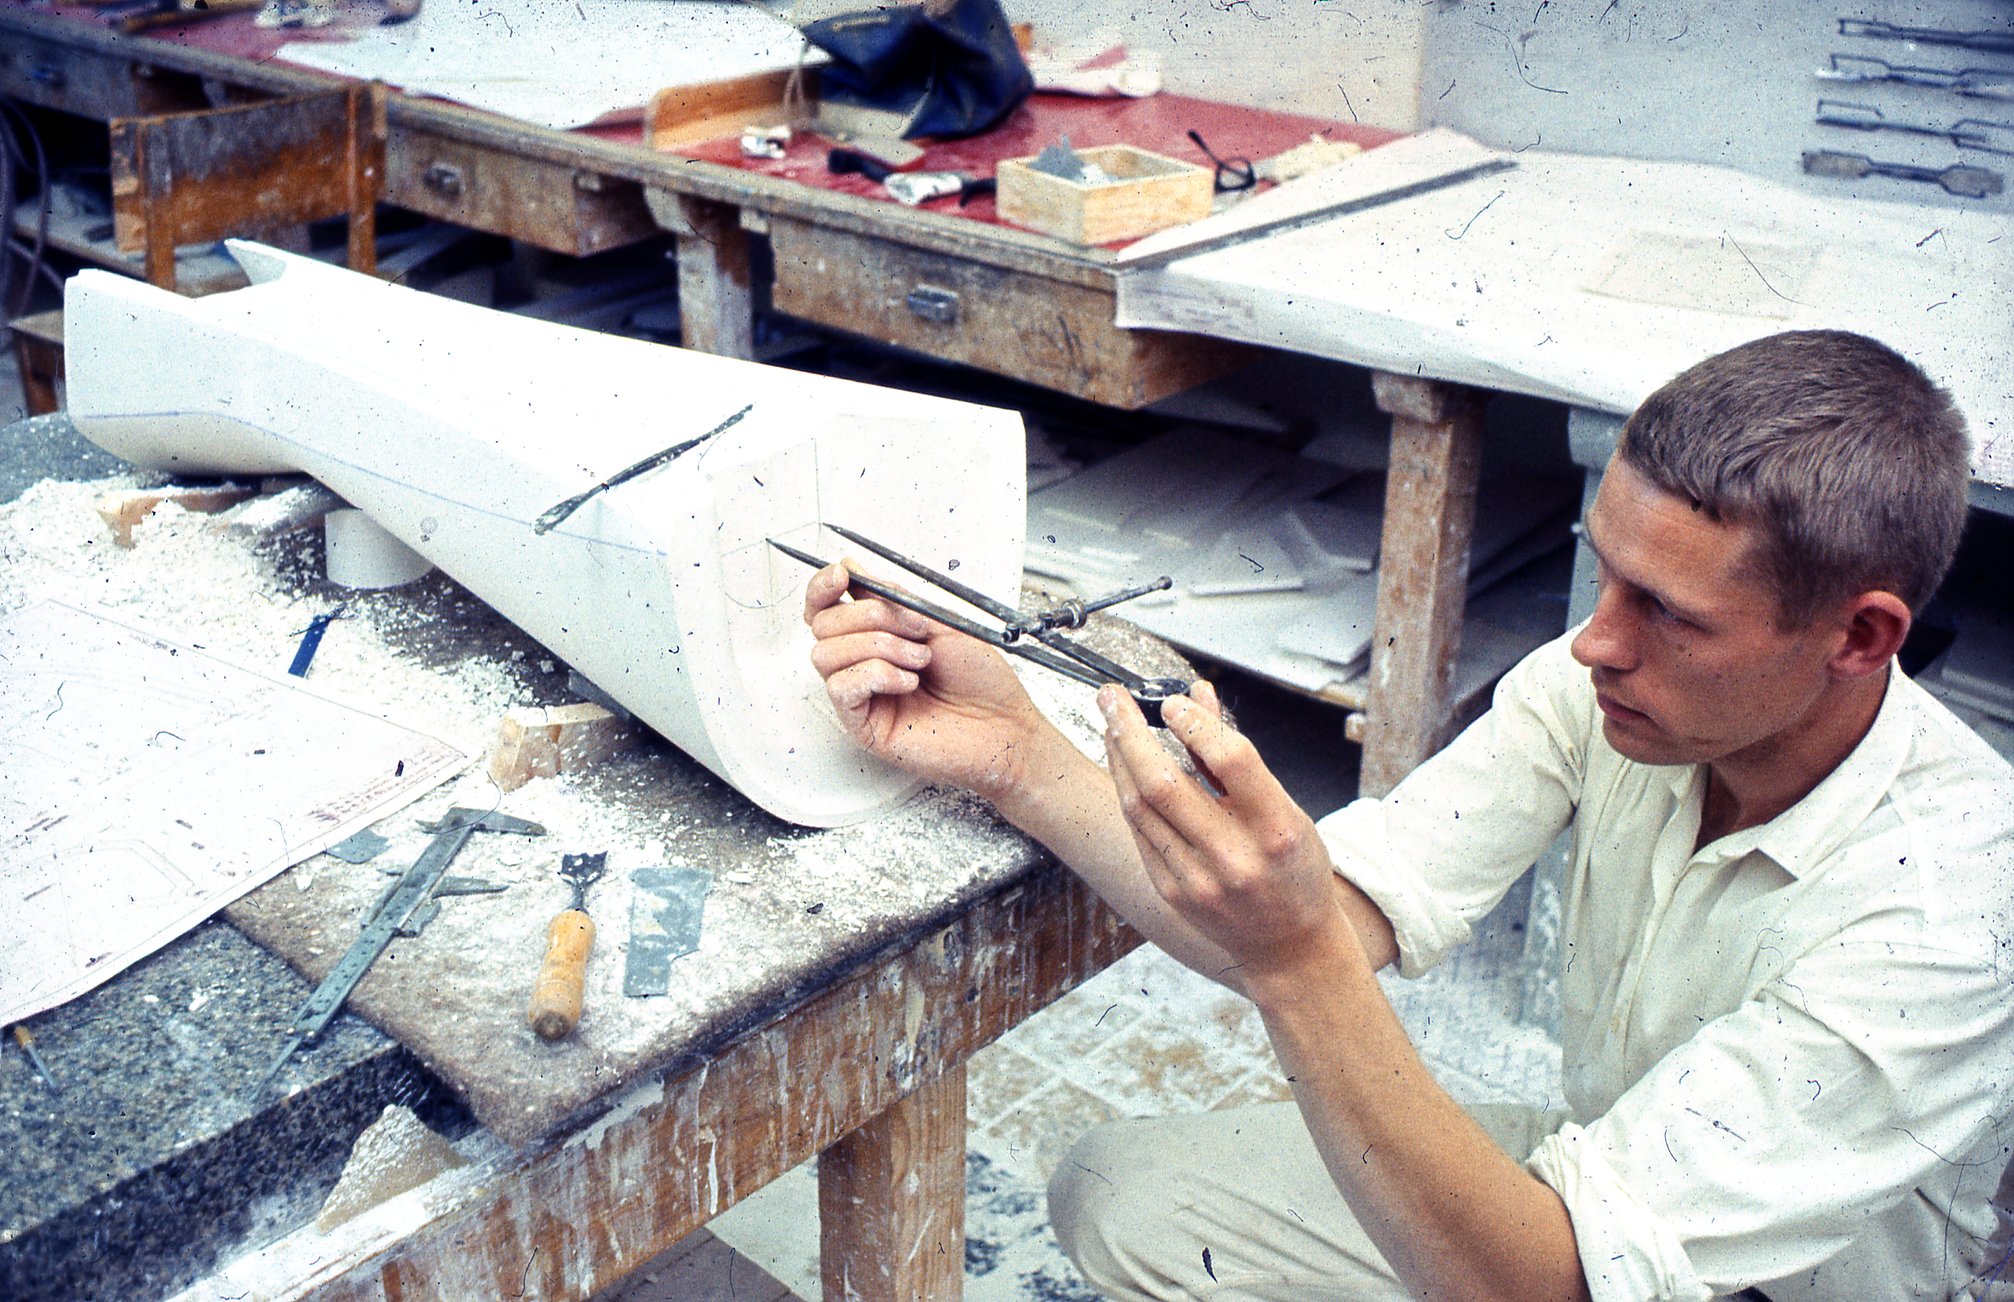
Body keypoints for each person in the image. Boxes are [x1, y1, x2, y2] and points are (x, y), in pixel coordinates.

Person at [801, 329, 2014, 1301]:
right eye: (1603, 572)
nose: (1595, 640)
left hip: (1762, 1283)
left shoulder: (1950, 904)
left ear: (1860, 636)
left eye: (1670, 613)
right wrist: (1015, 751)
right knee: (1133, 1196)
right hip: (1611, 1180)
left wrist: (1296, 964)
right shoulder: (1601, 691)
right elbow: (1328, 918)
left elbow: (1543, 1283)